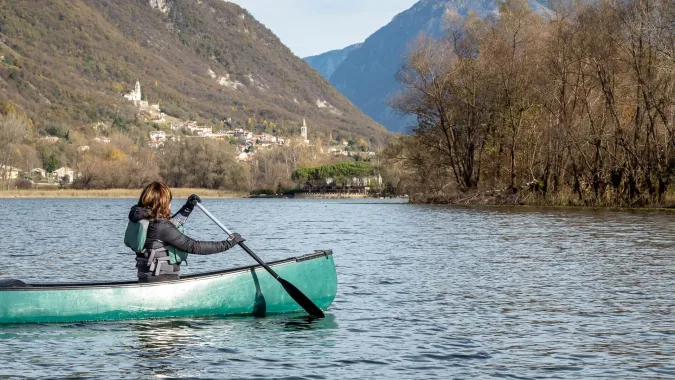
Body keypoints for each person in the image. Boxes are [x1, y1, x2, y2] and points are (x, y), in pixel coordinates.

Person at [127, 182, 244, 283]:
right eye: (168, 201)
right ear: (162, 202)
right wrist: (228, 243)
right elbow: (194, 246)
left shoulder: (141, 218)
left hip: (146, 277)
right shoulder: (160, 226)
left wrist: (188, 207)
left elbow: (172, 225)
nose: (170, 204)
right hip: (162, 280)